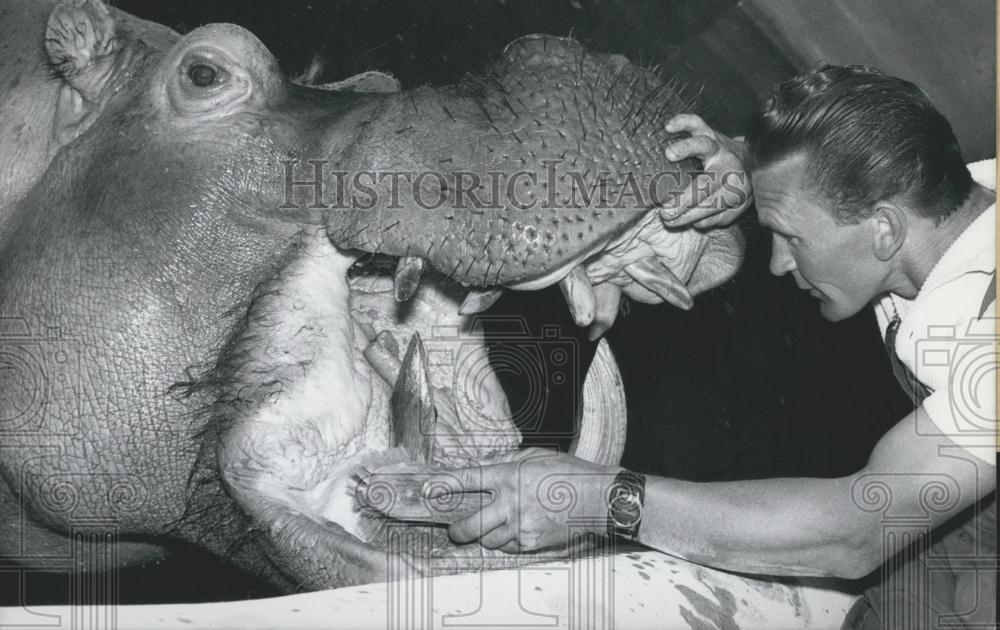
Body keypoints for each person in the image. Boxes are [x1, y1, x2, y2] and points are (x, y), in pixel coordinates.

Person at [424, 65, 996, 629]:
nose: (779, 263)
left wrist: (597, 498)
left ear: (885, 229)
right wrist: (743, 161)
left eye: (792, 238)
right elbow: (856, 162)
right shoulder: (954, 205)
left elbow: (856, 531)